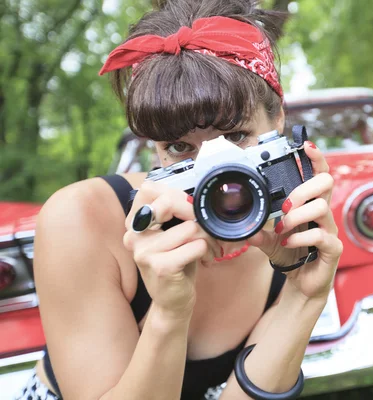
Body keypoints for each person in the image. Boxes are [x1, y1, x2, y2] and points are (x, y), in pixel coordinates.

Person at [16, 0, 342, 399]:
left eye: (236, 137)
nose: (217, 176)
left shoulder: (292, 230)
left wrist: (304, 295)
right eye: (179, 147)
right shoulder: (82, 220)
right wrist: (169, 313)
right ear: (153, 148)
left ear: (278, 124)